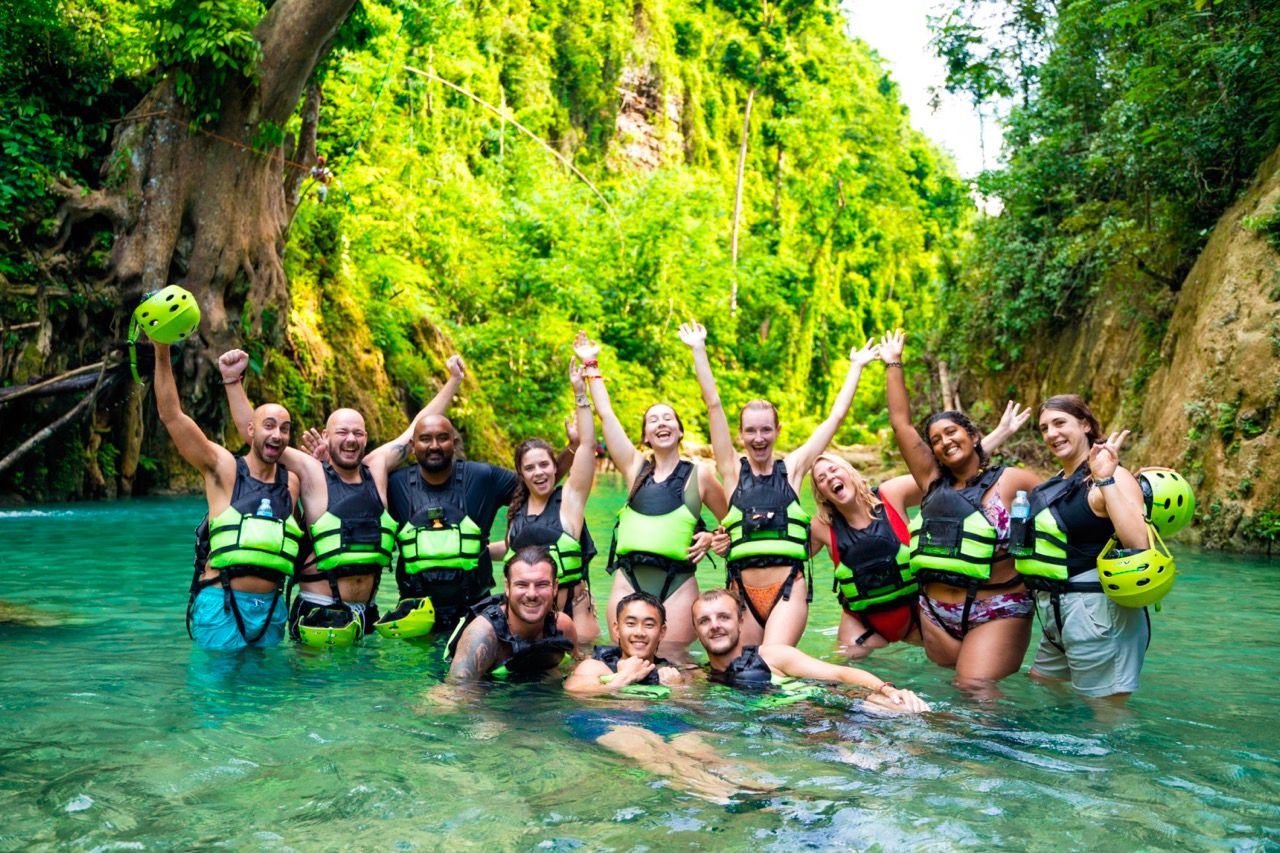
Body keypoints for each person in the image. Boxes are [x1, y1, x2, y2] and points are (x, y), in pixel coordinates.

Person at [218, 350, 464, 645]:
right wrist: (232, 381)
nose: (351, 439)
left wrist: (453, 381)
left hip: (368, 616)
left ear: (366, 436)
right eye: (342, 432)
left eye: (358, 433)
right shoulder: (312, 472)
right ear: (327, 436)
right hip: (319, 611)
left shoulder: (378, 467)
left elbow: (418, 427)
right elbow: (255, 434)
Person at [680, 321, 880, 646]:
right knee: (744, 674)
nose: (758, 439)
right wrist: (699, 350)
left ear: (777, 431)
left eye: (766, 430)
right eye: (751, 431)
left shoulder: (794, 469)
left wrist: (856, 367)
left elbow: (835, 418)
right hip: (741, 591)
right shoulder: (731, 470)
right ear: (741, 435)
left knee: (773, 661)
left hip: (787, 587)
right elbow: (713, 405)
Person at [881, 329, 1042, 688]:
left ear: (973, 436)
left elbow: (1064, 505)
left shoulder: (1013, 480)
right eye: (935, 440)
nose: (944, 442)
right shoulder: (931, 482)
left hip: (998, 608)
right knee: (962, 698)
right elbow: (900, 423)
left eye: (952, 432)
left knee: (972, 690)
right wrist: (893, 362)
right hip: (936, 615)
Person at [808, 403, 1031, 658]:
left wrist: (1001, 433)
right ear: (821, 494)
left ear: (850, 473)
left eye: (833, 470)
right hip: (864, 622)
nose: (829, 478)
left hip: (920, 615)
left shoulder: (892, 493)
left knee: (959, 673)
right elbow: (789, 559)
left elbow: (949, 476)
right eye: (821, 479)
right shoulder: (821, 527)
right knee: (841, 669)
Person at [153, 341, 326, 651]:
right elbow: (171, 416)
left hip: (272, 610)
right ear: (251, 430)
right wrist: (161, 349)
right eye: (269, 425)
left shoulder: (293, 484)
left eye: (285, 429)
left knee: (264, 698)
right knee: (217, 697)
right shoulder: (223, 469)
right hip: (221, 604)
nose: (277, 434)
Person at [573, 331, 725, 659]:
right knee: (619, 658)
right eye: (653, 420)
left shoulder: (702, 476)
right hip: (629, 579)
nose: (661, 423)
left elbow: (733, 523)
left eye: (668, 418)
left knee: (676, 663)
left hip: (678, 585)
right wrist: (590, 363)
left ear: (680, 430)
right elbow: (607, 415)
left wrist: (712, 537)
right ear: (645, 435)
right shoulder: (633, 468)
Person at [1016, 396, 1150, 700]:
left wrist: (1105, 479)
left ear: (1085, 424)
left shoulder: (1112, 475)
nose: (1051, 433)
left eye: (1060, 423)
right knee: (1042, 687)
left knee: (1107, 712)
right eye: (1044, 428)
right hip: (1055, 612)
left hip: (1097, 611)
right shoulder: (1051, 486)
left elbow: (1138, 543)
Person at [385, 409, 523, 634]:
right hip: (416, 616)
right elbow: (355, 486)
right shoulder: (395, 485)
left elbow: (537, 485)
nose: (434, 446)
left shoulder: (482, 478)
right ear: (412, 445)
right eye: (425, 439)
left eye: (442, 438)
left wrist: (573, 447)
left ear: (454, 442)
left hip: (475, 612)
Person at [690, 589, 930, 712]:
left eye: (723, 617)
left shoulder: (771, 655)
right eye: (704, 621)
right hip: (802, 741)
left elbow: (840, 675)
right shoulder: (700, 680)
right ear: (695, 629)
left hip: (840, 714)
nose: (715, 626)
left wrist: (885, 690)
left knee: (905, 710)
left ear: (741, 621)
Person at [499, 359, 600, 646]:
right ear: (521, 473)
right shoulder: (516, 511)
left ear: (555, 468)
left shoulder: (569, 501)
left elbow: (588, 446)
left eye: (544, 465)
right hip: (525, 620)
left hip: (573, 615)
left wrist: (580, 392)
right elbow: (508, 550)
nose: (539, 472)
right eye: (530, 468)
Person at [444, 546, 576, 680]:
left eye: (542, 584)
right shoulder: (482, 635)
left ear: (555, 587)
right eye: (522, 585)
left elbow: (574, 667)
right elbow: (458, 693)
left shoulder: (563, 626)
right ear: (507, 587)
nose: (532, 594)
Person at [564, 592, 683, 696]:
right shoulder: (595, 666)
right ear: (616, 629)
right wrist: (625, 677)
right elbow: (574, 692)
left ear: (662, 632)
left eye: (649, 625)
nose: (639, 632)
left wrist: (677, 690)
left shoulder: (672, 675)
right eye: (631, 623)